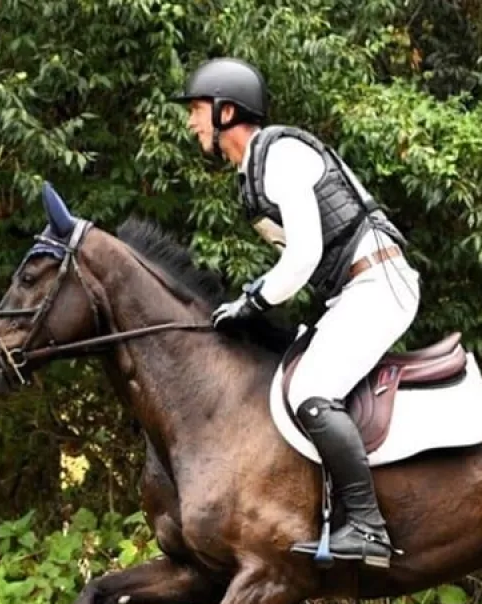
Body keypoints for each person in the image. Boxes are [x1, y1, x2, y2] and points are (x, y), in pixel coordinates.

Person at [172, 57, 420, 569]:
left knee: (311, 391)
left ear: (226, 112)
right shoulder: (253, 172)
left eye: (197, 110)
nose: (192, 122)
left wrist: (254, 300)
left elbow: (303, 256)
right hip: (356, 290)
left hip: (379, 283)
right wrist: (254, 299)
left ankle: (369, 528)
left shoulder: (280, 155)